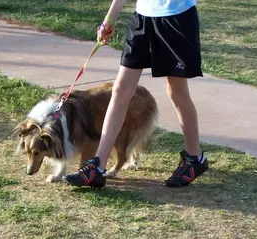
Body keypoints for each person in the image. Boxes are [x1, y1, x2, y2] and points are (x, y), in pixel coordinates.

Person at [62, 0, 209, 188]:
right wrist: (110, 18)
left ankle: (194, 157)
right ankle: (97, 166)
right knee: (120, 90)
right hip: (143, 18)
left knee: (176, 91)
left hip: (176, 17)